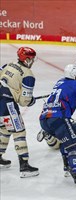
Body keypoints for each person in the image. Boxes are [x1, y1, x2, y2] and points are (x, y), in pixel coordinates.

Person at [0, 47, 39, 178]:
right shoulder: (28, 74)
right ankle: (24, 166)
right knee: (19, 131)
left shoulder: (9, 64)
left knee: (5, 129)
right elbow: (24, 101)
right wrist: (31, 101)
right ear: (27, 59)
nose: (33, 61)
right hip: (7, 105)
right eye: (32, 59)